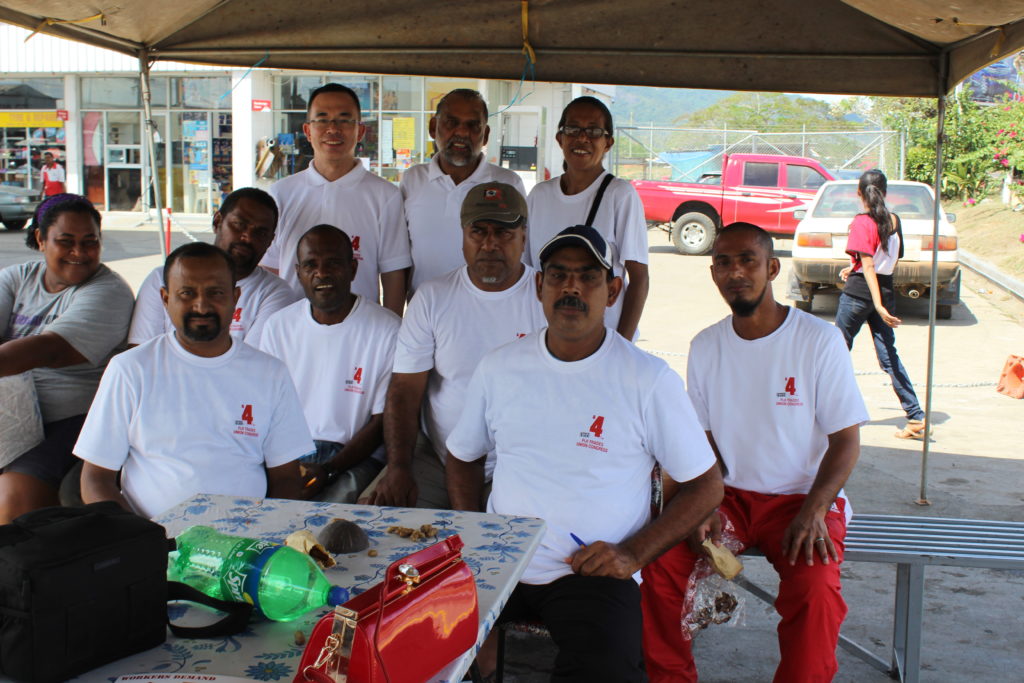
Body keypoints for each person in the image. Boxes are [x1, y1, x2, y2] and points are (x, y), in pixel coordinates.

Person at [447, 225, 722, 681]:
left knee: (605, 669)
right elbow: (462, 455)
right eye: (557, 275)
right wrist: (473, 535)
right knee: (404, 643)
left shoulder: (647, 379)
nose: (571, 287)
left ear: (613, 290)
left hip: (591, 573)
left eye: (588, 276)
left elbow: (706, 485)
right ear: (539, 286)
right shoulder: (500, 366)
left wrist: (633, 555)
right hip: (498, 562)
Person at [641, 223, 869, 683]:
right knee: (659, 564)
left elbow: (846, 440)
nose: (735, 272)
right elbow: (701, 441)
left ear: (772, 268)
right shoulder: (706, 346)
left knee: (817, 590)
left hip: (800, 501)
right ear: (712, 273)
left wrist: (815, 510)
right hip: (729, 499)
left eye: (747, 260)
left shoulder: (818, 340)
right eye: (723, 262)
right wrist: (700, 500)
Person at [75, 242, 312, 519]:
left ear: (235, 298)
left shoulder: (271, 373)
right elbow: (95, 478)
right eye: (187, 293)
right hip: (154, 544)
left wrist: (259, 535)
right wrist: (141, 539)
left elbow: (286, 478)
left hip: (242, 545)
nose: (201, 305)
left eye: (215, 293)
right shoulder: (130, 370)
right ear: (165, 298)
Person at [362, 182, 545, 509]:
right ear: (462, 235)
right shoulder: (432, 298)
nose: (489, 244)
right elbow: (405, 389)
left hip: (520, 464)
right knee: (373, 517)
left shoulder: (546, 297)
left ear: (524, 237)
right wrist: (399, 468)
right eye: (478, 231)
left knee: (516, 548)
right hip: (438, 457)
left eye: (504, 233)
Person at [0, 195, 134, 523]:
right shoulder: (17, 278)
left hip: (72, 418)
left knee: (12, 497)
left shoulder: (109, 291)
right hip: (9, 410)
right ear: (40, 240)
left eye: (90, 242)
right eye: (66, 242)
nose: (79, 253)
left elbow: (50, 349)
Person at [259, 225, 400, 503]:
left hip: (354, 458)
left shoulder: (388, 329)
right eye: (311, 265)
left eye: (333, 263)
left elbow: (381, 422)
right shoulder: (279, 327)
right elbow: (268, 412)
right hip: (290, 454)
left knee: (332, 526)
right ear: (298, 273)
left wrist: (329, 470)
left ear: (352, 269)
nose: (321, 274)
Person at [260, 83, 410, 315]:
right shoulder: (281, 193)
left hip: (362, 330)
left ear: (360, 131)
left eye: (344, 119)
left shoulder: (385, 195)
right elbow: (269, 268)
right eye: (322, 119)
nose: (333, 128)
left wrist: (393, 327)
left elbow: (393, 271)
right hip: (291, 334)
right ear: (308, 131)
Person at [526, 96, 649, 340]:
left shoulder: (619, 195)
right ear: (560, 138)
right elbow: (529, 273)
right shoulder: (539, 196)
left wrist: (620, 345)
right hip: (545, 338)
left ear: (608, 143)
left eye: (593, 131)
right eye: (573, 129)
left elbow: (639, 279)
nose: (582, 138)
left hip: (602, 339)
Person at [129, 187, 297, 347]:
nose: (247, 237)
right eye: (239, 224)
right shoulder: (163, 278)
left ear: (270, 241)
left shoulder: (275, 293)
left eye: (260, 232)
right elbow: (141, 354)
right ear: (217, 222)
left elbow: (254, 364)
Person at [400, 88, 526, 293]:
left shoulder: (508, 184)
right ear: (433, 127)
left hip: (489, 313)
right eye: (451, 122)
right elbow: (399, 259)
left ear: (485, 135)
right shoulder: (413, 180)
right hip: (425, 316)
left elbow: (520, 257)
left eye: (473, 125)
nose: (462, 132)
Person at [836, 169, 927, 439]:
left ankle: (825, 415)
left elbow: (867, 264)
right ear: (885, 193)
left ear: (859, 194)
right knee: (889, 358)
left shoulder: (862, 222)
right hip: (885, 290)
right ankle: (915, 415)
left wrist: (875, 304)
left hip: (860, 295)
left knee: (835, 354)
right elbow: (885, 261)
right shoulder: (895, 220)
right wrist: (852, 269)